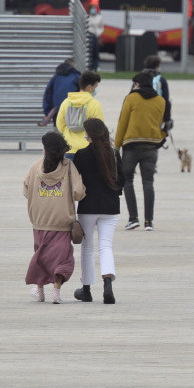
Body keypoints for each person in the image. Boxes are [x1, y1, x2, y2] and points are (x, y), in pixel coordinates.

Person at [23, 132, 85, 305]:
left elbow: (26, 189)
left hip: (40, 220)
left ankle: (40, 289)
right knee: (62, 258)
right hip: (62, 222)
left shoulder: (35, 167)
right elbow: (79, 193)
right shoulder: (69, 167)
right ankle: (56, 291)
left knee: (41, 255)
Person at [71, 119, 123, 305]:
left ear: (90, 134)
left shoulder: (81, 154)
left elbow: (76, 182)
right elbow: (122, 180)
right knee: (106, 246)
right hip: (110, 206)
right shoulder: (114, 154)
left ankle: (86, 290)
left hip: (88, 206)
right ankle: (107, 284)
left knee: (87, 248)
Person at [115, 71, 167, 231]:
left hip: (131, 146)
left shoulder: (131, 98)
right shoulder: (160, 100)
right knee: (148, 182)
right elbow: (161, 123)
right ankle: (148, 222)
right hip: (151, 146)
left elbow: (122, 122)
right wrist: (160, 137)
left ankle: (133, 218)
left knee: (128, 180)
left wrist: (116, 146)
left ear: (137, 84)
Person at [56, 70, 103, 158]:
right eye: (95, 86)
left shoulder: (66, 102)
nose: (96, 89)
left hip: (68, 148)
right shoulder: (95, 104)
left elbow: (60, 125)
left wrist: (68, 132)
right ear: (89, 87)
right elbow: (99, 129)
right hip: (88, 150)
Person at [40, 59, 81, 127]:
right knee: (72, 134)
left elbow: (48, 94)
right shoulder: (77, 77)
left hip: (57, 111)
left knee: (58, 133)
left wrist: (47, 112)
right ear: (73, 66)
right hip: (73, 110)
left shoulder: (56, 77)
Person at [88, 3, 104, 71]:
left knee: (96, 52)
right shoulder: (87, 17)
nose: (93, 10)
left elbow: (101, 27)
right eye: (92, 9)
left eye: (94, 9)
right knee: (90, 52)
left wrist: (99, 34)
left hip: (97, 35)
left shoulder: (99, 17)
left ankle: (96, 66)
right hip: (90, 35)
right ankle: (90, 66)